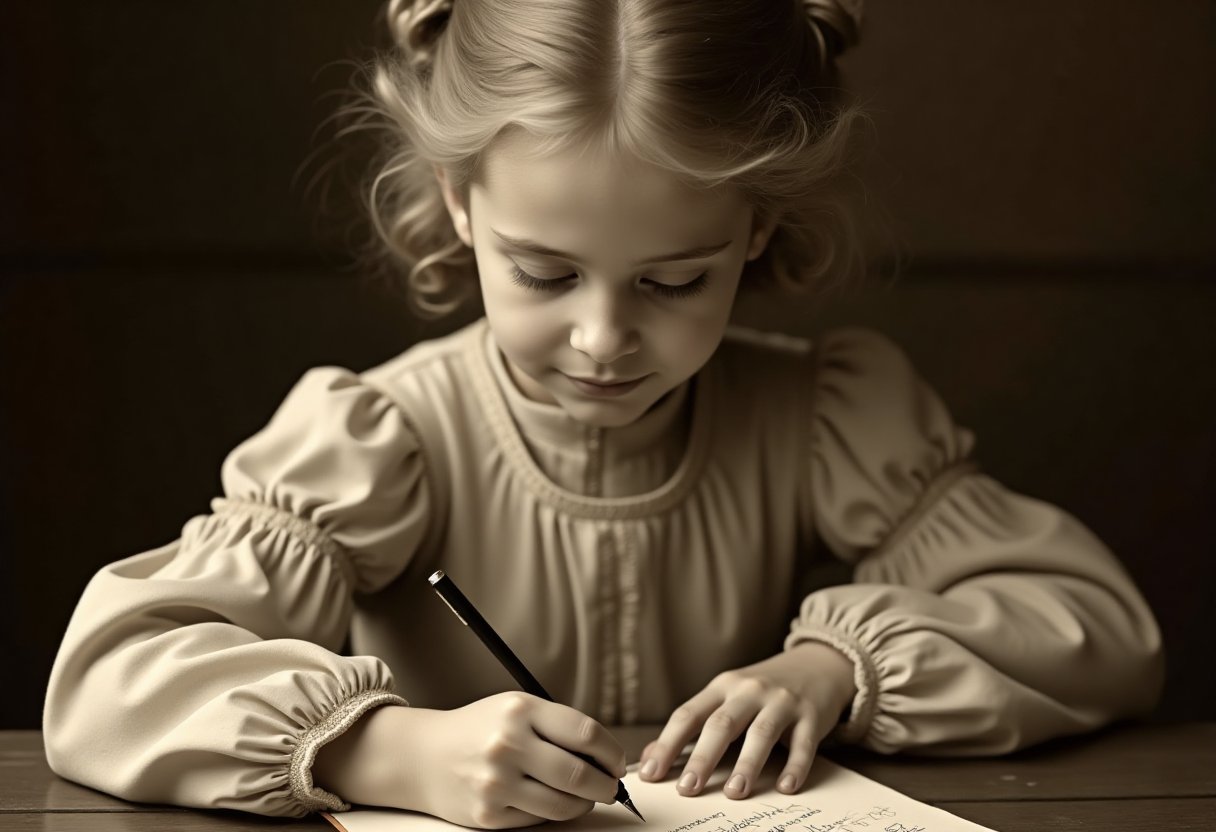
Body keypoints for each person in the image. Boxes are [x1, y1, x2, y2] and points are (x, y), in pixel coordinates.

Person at [43, 0, 1164, 826]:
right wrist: (384, 750)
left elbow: (1092, 626)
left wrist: (832, 672)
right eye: (544, 272)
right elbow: (107, 676)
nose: (601, 338)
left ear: (756, 231)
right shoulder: (379, 439)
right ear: (459, 202)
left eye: (674, 280)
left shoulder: (830, 417)